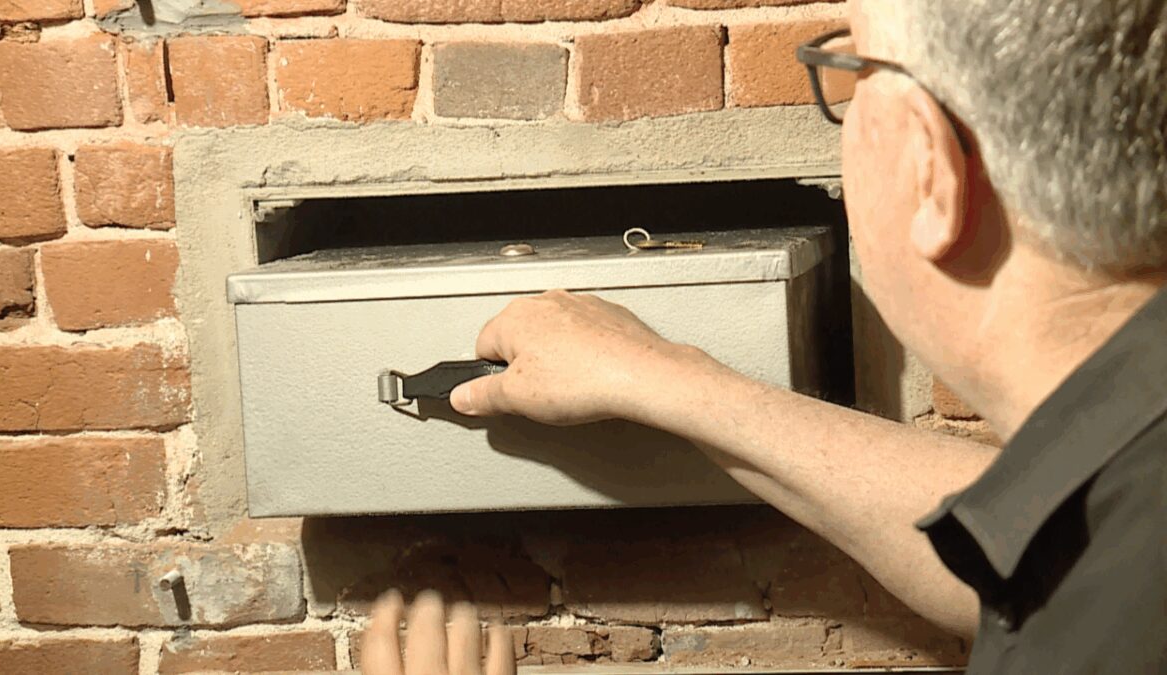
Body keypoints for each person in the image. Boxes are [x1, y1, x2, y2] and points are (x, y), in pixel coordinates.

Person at [361, 1, 1167, 672]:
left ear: (933, 171)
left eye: (852, 76)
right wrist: (666, 376)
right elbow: (1018, 547)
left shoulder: (1102, 640)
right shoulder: (1126, 486)